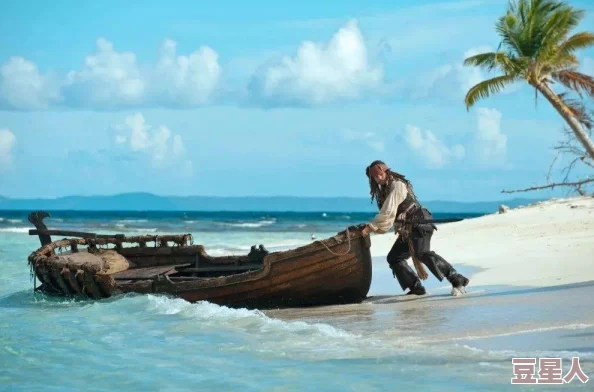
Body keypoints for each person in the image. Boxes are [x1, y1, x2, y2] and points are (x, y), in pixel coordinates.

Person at [360, 160, 469, 296]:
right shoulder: (384, 190)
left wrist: (371, 227)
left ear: (385, 171)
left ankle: (457, 279)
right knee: (394, 258)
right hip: (408, 229)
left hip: (419, 223)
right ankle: (416, 287)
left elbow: (388, 212)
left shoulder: (397, 185)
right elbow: (390, 214)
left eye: (379, 175)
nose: (378, 179)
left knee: (422, 253)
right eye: (374, 177)